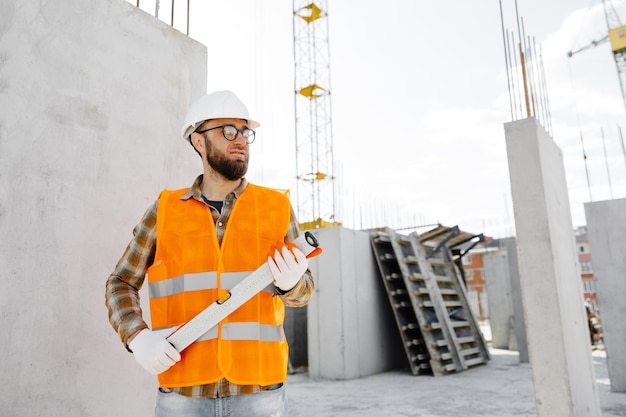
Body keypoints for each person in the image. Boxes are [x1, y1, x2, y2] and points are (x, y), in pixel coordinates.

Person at [105, 90, 315, 416]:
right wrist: (137, 337)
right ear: (198, 141)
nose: (241, 140)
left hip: (259, 392)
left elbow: (304, 293)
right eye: (228, 131)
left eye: (246, 132)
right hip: (183, 393)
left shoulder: (276, 208)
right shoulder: (164, 211)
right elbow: (120, 281)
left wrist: (293, 284)